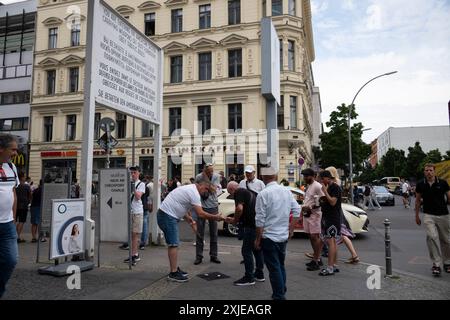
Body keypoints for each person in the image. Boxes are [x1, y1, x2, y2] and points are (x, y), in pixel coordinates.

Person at [157, 182, 226, 282]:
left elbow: (179, 204)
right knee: (173, 244)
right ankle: (173, 273)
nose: (206, 194)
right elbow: (201, 214)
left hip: (166, 215)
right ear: (203, 186)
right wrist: (216, 217)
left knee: (174, 244)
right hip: (167, 216)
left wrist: (188, 218)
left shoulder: (190, 189)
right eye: (207, 191)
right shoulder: (194, 193)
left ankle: (175, 268)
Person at [255, 166, 301, 300]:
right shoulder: (286, 191)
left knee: (274, 268)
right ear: (275, 176)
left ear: (263, 178)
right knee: (280, 265)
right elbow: (297, 210)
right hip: (283, 236)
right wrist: (291, 229)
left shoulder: (263, 194)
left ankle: (279, 295)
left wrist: (258, 239)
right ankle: (282, 288)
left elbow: (259, 220)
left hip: (269, 237)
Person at [415, 163, 450, 276]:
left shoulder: (443, 183)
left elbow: (449, 197)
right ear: (424, 172)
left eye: (430, 170)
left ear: (435, 171)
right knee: (431, 237)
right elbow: (417, 200)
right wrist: (416, 215)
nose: (429, 172)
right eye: (426, 170)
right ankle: (436, 264)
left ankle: (447, 262)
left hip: (443, 214)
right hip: (428, 215)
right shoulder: (421, 184)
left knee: (446, 240)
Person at [227, 181, 265, 286]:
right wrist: (235, 219)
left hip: (250, 226)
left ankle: (249, 277)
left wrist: (234, 221)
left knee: (246, 251)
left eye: (230, 193)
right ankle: (259, 274)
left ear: (231, 189)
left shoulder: (239, 192)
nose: (231, 195)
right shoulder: (250, 192)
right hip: (257, 225)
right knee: (257, 250)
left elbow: (239, 208)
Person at [0, 134, 19, 298]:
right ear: (1, 149)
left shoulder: (11, 167)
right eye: (12, 149)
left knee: (10, 260)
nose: (15, 153)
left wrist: (13, 219)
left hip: (7, 225)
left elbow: (13, 193)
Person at [194, 164, 222, 265]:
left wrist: (206, 180)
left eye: (211, 171)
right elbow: (196, 189)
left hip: (213, 206)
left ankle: (214, 255)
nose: (211, 173)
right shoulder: (198, 177)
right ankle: (199, 256)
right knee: (199, 233)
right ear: (204, 170)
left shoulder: (216, 176)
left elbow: (214, 189)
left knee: (214, 232)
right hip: (201, 205)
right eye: (208, 171)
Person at [318, 170, 343, 276]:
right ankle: (334, 265)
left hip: (332, 218)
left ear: (327, 178)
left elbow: (333, 202)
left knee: (331, 242)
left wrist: (325, 191)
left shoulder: (335, 187)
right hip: (328, 217)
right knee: (333, 242)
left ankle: (330, 268)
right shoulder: (329, 187)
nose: (321, 182)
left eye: (322, 179)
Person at [301, 168, 325, 271]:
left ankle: (316, 260)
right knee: (311, 237)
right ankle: (317, 258)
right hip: (308, 215)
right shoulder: (309, 185)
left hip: (315, 215)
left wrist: (311, 208)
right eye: (304, 176)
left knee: (315, 237)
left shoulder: (317, 186)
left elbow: (323, 200)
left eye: (307, 176)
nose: (305, 178)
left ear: (312, 176)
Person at [123, 166, 146, 266]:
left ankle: (134, 255)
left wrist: (133, 188)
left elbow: (138, 197)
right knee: (132, 235)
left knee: (135, 234)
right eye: (131, 173)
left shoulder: (141, 184)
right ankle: (134, 254)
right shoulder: (128, 183)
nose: (132, 174)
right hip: (130, 211)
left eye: (134, 172)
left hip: (137, 212)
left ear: (138, 173)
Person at [15, 171, 31, 243]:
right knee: (21, 221)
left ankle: (12, 235)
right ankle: (17, 237)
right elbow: (30, 196)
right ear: (21, 177)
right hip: (23, 206)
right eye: (24, 176)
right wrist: (29, 201)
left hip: (15, 205)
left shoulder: (15, 185)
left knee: (14, 221)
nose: (25, 178)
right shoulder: (26, 186)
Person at [140, 176, 154, 250]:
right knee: (145, 224)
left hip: (139, 207)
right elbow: (148, 196)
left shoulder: (138, 186)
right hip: (145, 206)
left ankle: (131, 242)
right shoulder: (147, 188)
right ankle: (143, 242)